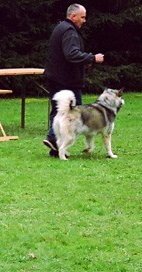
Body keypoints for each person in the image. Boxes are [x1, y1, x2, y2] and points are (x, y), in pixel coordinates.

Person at [43, 3, 104, 157]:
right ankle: (52, 138)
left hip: (56, 77)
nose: (84, 20)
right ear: (73, 16)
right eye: (82, 17)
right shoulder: (70, 31)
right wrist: (92, 58)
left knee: (57, 112)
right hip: (66, 81)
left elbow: (68, 55)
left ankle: (55, 148)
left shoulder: (61, 28)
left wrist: (85, 61)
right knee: (73, 115)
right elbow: (71, 54)